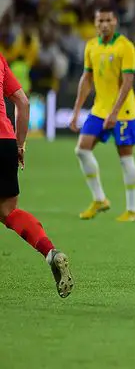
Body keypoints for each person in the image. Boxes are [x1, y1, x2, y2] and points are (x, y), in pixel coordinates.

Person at [0, 53, 72, 298]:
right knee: (8, 211)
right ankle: (50, 252)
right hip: (5, 142)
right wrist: (20, 146)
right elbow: (23, 102)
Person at [69, 7, 135, 222]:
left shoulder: (125, 47)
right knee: (81, 150)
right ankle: (100, 199)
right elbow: (87, 79)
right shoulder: (91, 46)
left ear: (115, 21)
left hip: (124, 112)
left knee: (125, 157)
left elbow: (127, 82)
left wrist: (115, 113)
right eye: (100, 20)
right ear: (95, 22)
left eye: (108, 20)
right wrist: (76, 111)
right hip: (99, 109)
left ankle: (132, 209)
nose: (104, 24)